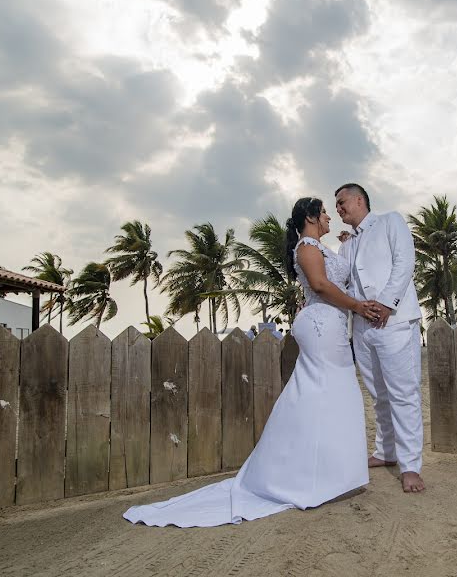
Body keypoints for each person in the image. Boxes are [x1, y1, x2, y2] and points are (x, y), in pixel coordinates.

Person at [123, 197, 380, 527]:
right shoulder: (306, 246)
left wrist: (346, 246)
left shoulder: (320, 246)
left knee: (332, 395)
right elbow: (319, 284)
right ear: (312, 217)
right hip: (321, 325)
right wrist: (358, 306)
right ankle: (308, 476)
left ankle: (332, 473)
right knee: (324, 393)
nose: (331, 217)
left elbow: (331, 277)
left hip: (328, 324)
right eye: (326, 212)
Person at [334, 183, 425, 493]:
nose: (338, 209)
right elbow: (344, 283)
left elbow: (405, 263)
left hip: (395, 322)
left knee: (403, 393)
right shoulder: (345, 245)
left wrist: (387, 303)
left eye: (342, 202)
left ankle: (410, 465)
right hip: (361, 327)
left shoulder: (391, 221)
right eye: (335, 205)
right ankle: (386, 452)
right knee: (378, 393)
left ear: (360, 199)